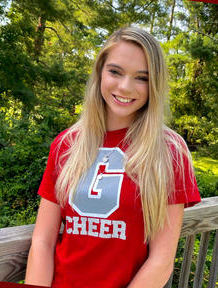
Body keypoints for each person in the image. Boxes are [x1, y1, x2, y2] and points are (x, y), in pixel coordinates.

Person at [24, 26, 201, 288]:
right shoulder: (66, 144)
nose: (125, 87)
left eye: (142, 77)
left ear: (155, 84)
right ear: (100, 72)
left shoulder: (170, 151)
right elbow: (43, 241)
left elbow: (161, 260)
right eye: (115, 72)